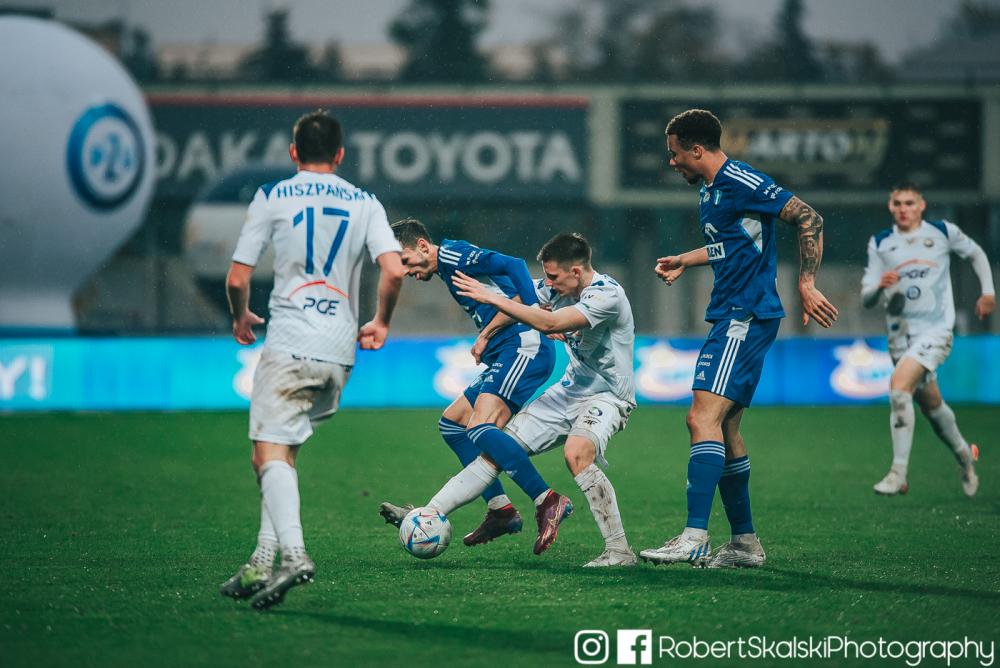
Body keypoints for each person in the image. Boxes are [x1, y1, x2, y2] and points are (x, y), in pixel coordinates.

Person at [220, 110, 406, 610]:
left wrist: (240, 316)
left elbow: (237, 278)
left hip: (290, 343)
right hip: (339, 350)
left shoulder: (273, 196)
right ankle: (262, 559)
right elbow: (393, 269)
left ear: (293, 152)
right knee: (282, 454)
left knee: (266, 454)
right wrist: (380, 321)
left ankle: (295, 556)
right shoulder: (365, 202)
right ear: (340, 155)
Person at [640, 109, 838, 568]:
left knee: (700, 417)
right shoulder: (710, 190)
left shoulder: (740, 179)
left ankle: (694, 535)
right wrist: (686, 259)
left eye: (675, 154)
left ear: (697, 149)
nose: (672, 162)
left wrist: (806, 282)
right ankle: (745, 544)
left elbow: (809, 217)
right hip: (734, 313)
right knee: (726, 429)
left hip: (744, 314)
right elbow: (733, 244)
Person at [443, 232, 638, 566]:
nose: (548, 282)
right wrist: (486, 333)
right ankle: (431, 513)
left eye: (553, 276)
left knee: (576, 453)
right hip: (569, 391)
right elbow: (521, 301)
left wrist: (495, 299)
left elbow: (549, 322)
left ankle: (619, 551)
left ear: (575, 271)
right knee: (498, 452)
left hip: (608, 396)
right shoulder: (557, 289)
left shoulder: (607, 294)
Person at [380, 220, 572, 555]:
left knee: (480, 427)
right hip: (507, 349)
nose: (407, 272)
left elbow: (513, 265)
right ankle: (500, 510)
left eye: (406, 261)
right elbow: (506, 291)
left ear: (423, 246)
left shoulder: (453, 255)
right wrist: (487, 335)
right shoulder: (448, 267)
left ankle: (546, 500)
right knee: (453, 424)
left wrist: (533, 315)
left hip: (523, 347)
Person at [862, 181, 994, 497]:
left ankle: (898, 474)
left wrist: (988, 292)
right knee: (932, 405)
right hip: (899, 338)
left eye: (909, 203)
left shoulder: (942, 232)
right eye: (897, 203)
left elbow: (976, 253)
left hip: (936, 331)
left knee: (898, 389)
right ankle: (965, 455)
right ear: (890, 207)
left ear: (921, 205)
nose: (903, 209)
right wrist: (880, 286)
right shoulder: (881, 243)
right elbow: (867, 298)